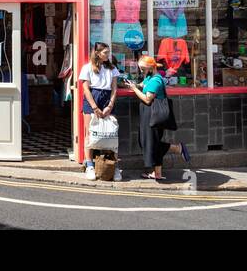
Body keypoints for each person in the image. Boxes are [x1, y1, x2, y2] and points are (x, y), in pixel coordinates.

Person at [127, 54, 189, 181]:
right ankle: (157, 173)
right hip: (148, 114)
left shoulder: (155, 80)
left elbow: (148, 99)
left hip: (152, 114)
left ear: (150, 67)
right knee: (149, 142)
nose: (141, 71)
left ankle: (177, 148)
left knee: (151, 142)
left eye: (143, 68)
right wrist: (134, 85)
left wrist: (134, 89)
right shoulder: (149, 77)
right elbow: (142, 85)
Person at [78, 42, 121, 181]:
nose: (108, 55)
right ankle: (90, 165)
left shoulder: (112, 68)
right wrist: (95, 107)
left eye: (109, 52)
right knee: (90, 134)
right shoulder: (87, 68)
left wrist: (110, 105)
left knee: (111, 134)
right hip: (92, 100)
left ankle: (114, 166)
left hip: (107, 99)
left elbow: (114, 88)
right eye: (105, 53)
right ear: (97, 53)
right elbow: (85, 89)